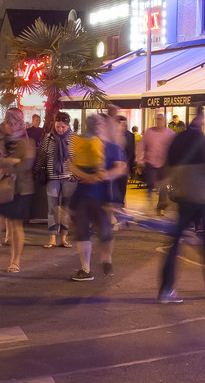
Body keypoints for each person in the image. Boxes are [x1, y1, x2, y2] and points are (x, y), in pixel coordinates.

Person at [158, 108, 205, 302]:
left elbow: (167, 166)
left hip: (182, 197)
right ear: (200, 119)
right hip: (199, 198)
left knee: (174, 244)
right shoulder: (202, 140)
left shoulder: (178, 139)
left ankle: (166, 290)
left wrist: (165, 193)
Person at [69, 112, 127, 281]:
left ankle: (100, 263)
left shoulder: (110, 147)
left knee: (100, 233)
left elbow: (120, 168)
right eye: (95, 125)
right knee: (88, 232)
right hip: (89, 196)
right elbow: (70, 165)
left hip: (97, 197)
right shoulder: (87, 145)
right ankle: (89, 267)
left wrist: (100, 176)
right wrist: (91, 177)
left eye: (99, 125)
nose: (97, 128)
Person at [0, 107, 34, 276]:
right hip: (0, 184)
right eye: (14, 121)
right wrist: (10, 162)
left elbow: (27, 160)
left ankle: (15, 262)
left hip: (20, 186)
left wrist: (9, 163)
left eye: (19, 121)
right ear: (7, 120)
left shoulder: (23, 134)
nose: (17, 125)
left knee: (15, 224)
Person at [39, 111, 74, 248]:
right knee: (52, 208)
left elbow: (78, 158)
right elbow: (42, 157)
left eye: (63, 127)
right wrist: (39, 172)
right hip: (52, 177)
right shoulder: (48, 138)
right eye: (58, 126)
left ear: (68, 125)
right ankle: (52, 238)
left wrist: (75, 175)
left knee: (65, 209)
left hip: (68, 178)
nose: (60, 129)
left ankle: (64, 238)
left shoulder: (73, 138)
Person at [141, 115, 173, 214]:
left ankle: (160, 208)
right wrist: (139, 160)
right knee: (151, 183)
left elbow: (174, 147)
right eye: (157, 119)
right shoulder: (149, 132)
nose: (159, 121)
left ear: (165, 121)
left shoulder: (170, 133)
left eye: (161, 119)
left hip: (164, 163)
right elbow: (141, 145)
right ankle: (149, 195)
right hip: (151, 161)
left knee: (163, 185)